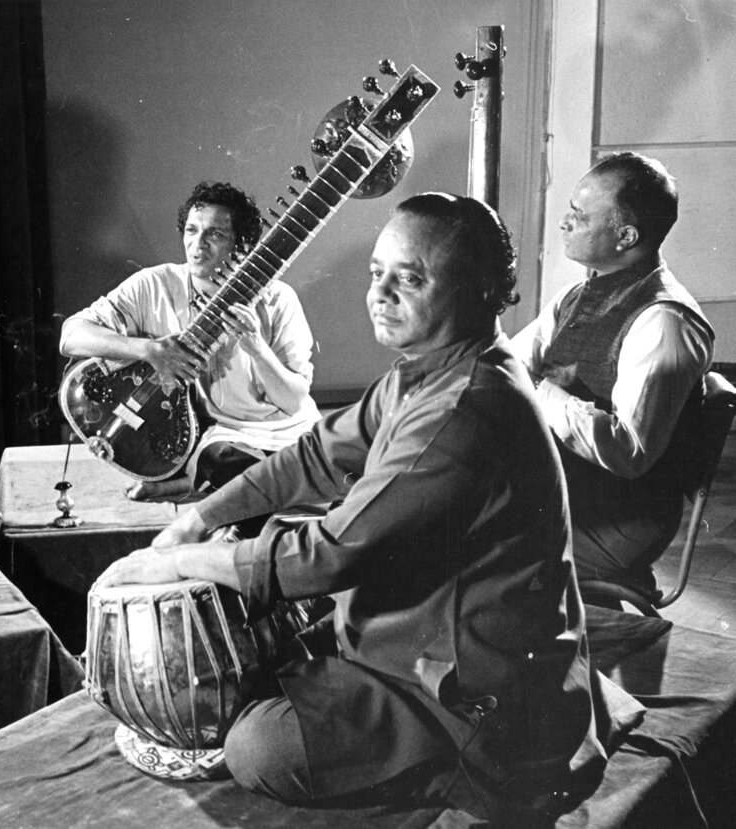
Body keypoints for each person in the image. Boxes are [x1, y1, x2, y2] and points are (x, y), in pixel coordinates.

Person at [97, 193, 640, 818]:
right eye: (376, 273)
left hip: (472, 692)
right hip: (435, 636)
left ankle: (447, 768)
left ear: (478, 289)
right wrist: (199, 516)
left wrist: (181, 563)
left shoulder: (465, 408)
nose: (380, 294)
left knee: (257, 746)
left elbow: (326, 557)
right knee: (274, 649)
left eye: (409, 279)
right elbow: (316, 457)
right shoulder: (428, 369)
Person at [510, 152, 714, 599]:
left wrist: (543, 391)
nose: (564, 223)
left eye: (579, 216)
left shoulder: (665, 322)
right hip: (570, 492)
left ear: (626, 236)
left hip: (617, 524)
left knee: (445, 526)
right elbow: (511, 363)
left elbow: (629, 451)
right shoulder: (576, 293)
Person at [60, 180, 321, 501]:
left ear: (242, 245)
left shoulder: (278, 299)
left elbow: (293, 402)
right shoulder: (153, 285)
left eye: (215, 234)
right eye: (192, 230)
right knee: (223, 460)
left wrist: (256, 346)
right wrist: (151, 350)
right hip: (218, 439)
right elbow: (71, 335)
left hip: (283, 432)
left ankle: (187, 484)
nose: (198, 244)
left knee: (337, 467)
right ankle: (259, 479)